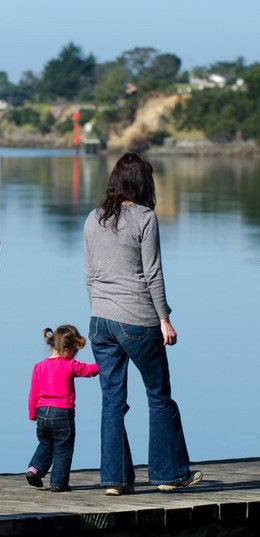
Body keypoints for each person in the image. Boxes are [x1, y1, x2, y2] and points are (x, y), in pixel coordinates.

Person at [84, 152, 202, 496]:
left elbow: (90, 276)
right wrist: (165, 319)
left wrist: (101, 312)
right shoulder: (145, 217)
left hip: (99, 322)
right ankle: (168, 474)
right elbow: (152, 273)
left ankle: (115, 481)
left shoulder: (94, 218)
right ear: (142, 183)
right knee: (159, 396)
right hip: (137, 319)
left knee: (112, 401)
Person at [26, 325, 99, 492]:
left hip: (43, 413)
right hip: (62, 414)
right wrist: (106, 359)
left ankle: (34, 470)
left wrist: (32, 413)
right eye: (74, 350)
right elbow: (91, 371)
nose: (75, 354)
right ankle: (58, 483)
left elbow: (33, 393)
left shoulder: (39, 366)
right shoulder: (70, 365)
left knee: (45, 444)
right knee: (63, 448)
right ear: (67, 349)